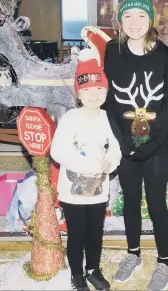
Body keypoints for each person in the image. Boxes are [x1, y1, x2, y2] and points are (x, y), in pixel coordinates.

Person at [103, 0, 168, 291]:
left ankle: (165, 263)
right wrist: (123, 144)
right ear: (120, 19)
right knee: (130, 200)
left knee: (157, 202)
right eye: (128, 15)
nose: (135, 22)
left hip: (157, 145)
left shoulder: (162, 54)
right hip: (124, 143)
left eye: (141, 15)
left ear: (151, 19)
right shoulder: (111, 51)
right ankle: (133, 254)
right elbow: (108, 101)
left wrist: (153, 144)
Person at [50, 48, 122, 291]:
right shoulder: (70, 118)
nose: (94, 94)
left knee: (96, 233)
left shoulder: (107, 118)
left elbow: (116, 148)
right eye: (87, 89)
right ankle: (76, 274)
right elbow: (57, 150)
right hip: (73, 191)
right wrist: (85, 164)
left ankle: (93, 269)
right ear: (79, 93)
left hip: (99, 190)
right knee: (76, 234)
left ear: (106, 90)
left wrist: (109, 162)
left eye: (99, 88)